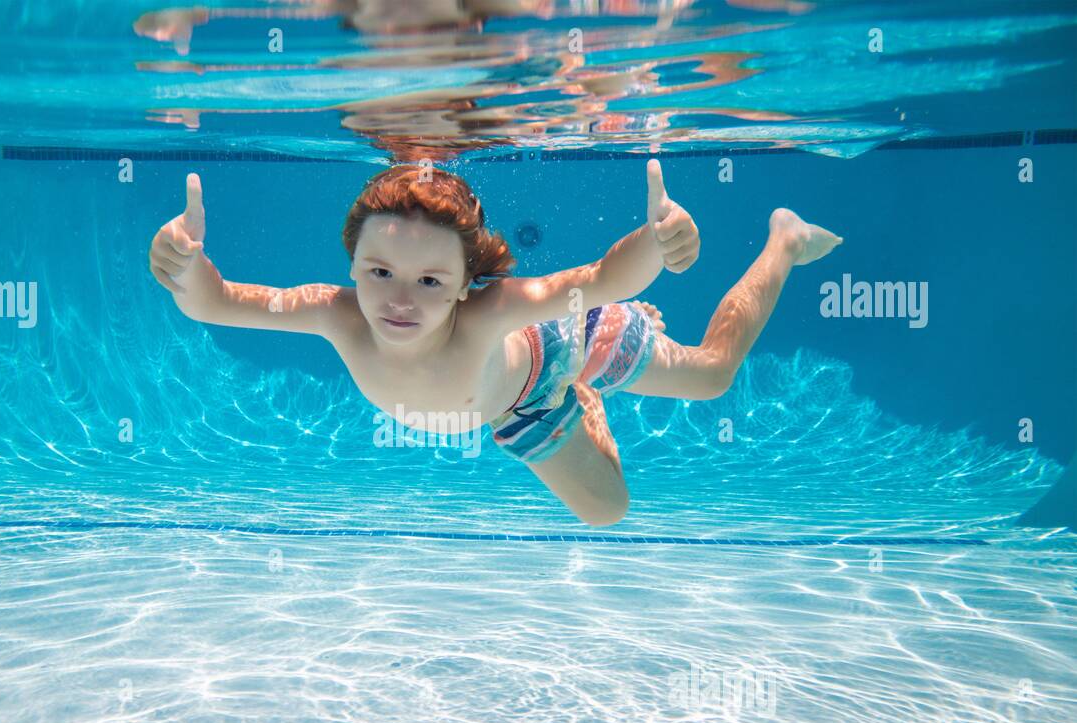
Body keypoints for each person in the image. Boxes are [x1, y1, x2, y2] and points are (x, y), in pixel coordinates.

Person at [148, 162, 841, 525]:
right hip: (513, 411)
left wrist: (656, 244)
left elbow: (598, 278)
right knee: (609, 512)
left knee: (713, 376)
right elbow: (217, 303)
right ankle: (583, 405)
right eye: (380, 272)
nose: (398, 300)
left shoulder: (490, 312)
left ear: (463, 285)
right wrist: (183, 267)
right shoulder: (334, 314)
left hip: (565, 344)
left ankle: (783, 240)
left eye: (429, 280)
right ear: (351, 265)